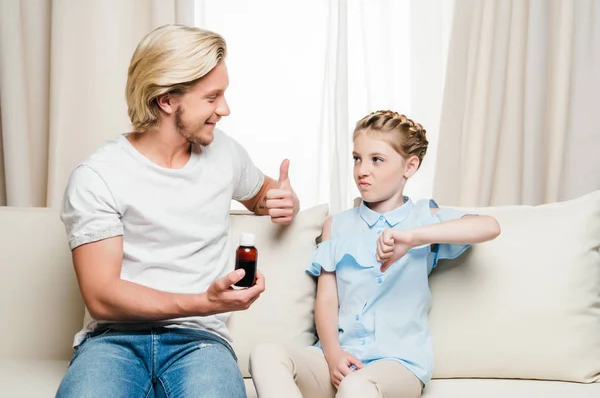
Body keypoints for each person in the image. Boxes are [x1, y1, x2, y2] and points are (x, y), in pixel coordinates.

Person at [56, 24, 299, 398]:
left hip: (200, 342)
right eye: (212, 97)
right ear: (166, 100)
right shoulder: (98, 176)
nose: (225, 109)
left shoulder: (225, 153)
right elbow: (102, 295)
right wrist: (203, 303)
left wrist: (281, 200)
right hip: (113, 341)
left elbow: (262, 193)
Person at [249, 110, 501, 398]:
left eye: (376, 160)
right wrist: (333, 356)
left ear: (410, 166)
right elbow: (328, 299)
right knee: (265, 354)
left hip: (397, 366)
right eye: (357, 158)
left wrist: (412, 237)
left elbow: (488, 226)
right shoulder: (338, 225)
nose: (362, 170)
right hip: (339, 358)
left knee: (357, 386)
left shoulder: (423, 217)